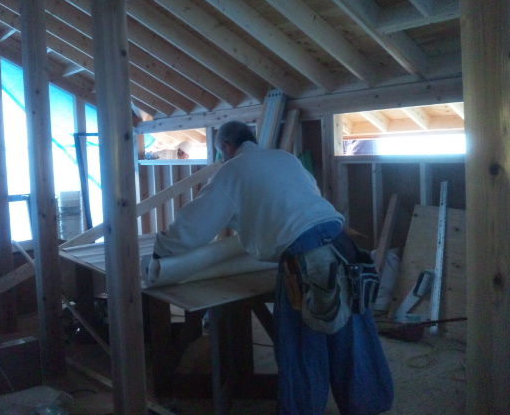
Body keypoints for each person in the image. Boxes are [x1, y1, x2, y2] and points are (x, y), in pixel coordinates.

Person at [153, 120, 393, 415]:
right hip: (342, 246)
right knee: (352, 335)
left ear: (226, 146)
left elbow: (194, 225)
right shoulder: (285, 159)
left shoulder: (232, 170)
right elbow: (301, 202)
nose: (222, 158)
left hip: (303, 259)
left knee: (302, 349)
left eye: (221, 153)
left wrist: (163, 249)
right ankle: (367, 406)